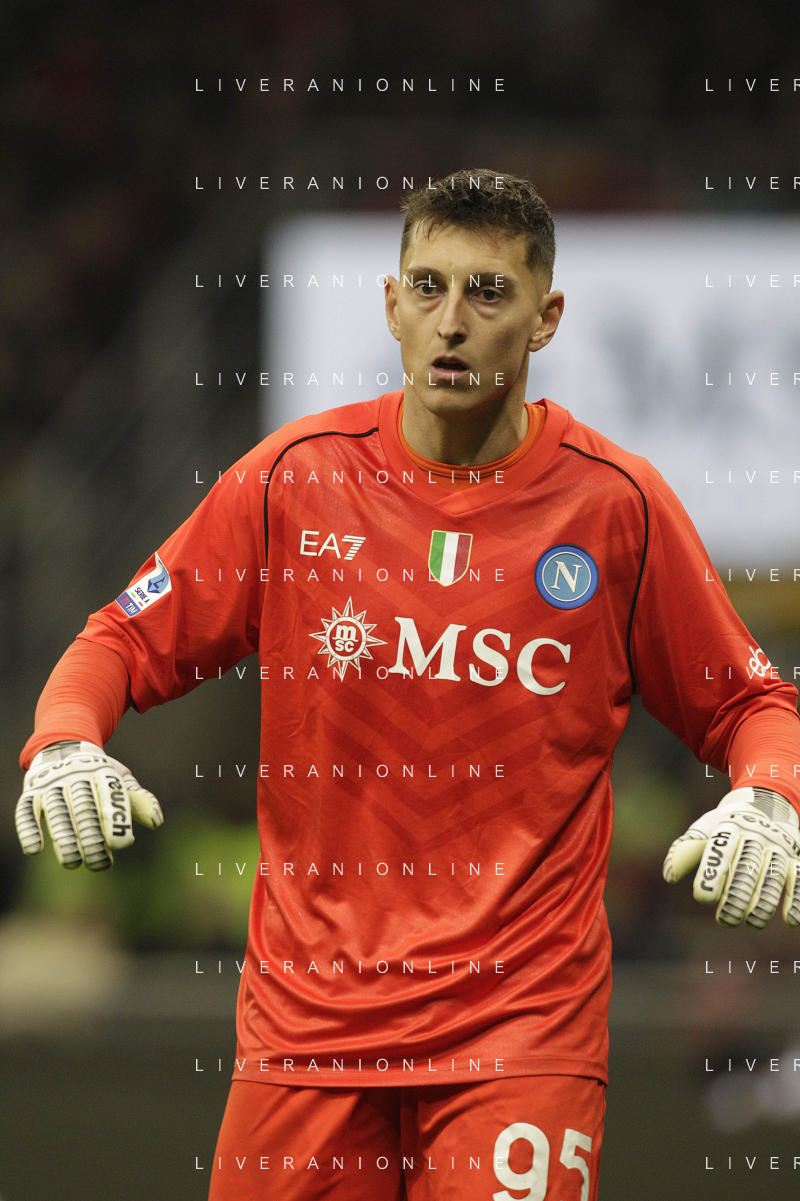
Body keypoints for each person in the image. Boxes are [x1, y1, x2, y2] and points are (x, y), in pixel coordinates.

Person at [16, 169, 800, 1201]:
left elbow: (748, 700)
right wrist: (66, 739)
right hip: (306, 1032)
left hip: (518, 1035)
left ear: (546, 316)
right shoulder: (295, 478)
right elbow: (120, 638)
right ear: (390, 304)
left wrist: (768, 794)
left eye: (487, 292)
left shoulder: (616, 506)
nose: (451, 321)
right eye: (427, 287)